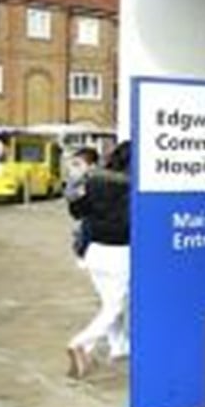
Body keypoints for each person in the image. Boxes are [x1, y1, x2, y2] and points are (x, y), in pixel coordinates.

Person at [66, 141, 131, 379]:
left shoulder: (95, 181)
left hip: (95, 252)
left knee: (109, 304)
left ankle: (119, 347)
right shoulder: (133, 187)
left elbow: (77, 211)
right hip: (119, 254)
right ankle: (80, 344)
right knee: (115, 307)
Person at [64, 147, 99, 264]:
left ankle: (82, 250)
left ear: (92, 166)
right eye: (73, 164)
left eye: (78, 164)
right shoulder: (75, 181)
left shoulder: (98, 181)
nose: (73, 168)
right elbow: (70, 196)